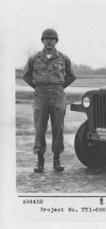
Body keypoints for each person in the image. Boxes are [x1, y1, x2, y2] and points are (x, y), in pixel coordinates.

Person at [23, 28, 76, 173]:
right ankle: (40, 161)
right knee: (40, 128)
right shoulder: (34, 58)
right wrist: (37, 87)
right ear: (42, 41)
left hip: (58, 94)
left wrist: (59, 86)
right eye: (47, 39)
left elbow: (72, 75)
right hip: (40, 94)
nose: (49, 41)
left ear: (56, 41)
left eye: (52, 39)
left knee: (58, 128)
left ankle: (56, 160)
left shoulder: (63, 58)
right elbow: (26, 75)